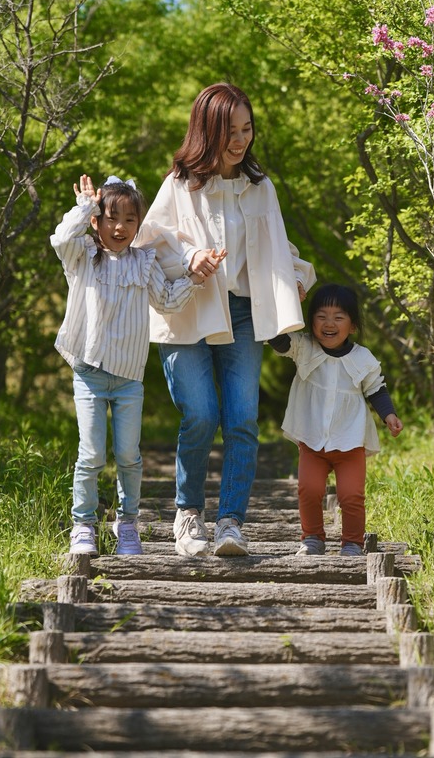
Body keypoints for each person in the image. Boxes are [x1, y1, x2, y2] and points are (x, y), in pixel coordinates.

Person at [136, 81, 317, 558]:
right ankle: (188, 513)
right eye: (230, 130)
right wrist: (191, 257)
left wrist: (294, 279)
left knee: (242, 421)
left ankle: (231, 522)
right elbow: (148, 243)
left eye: (247, 128)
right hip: (191, 309)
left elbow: (278, 245)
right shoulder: (178, 185)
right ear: (207, 130)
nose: (240, 140)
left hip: (242, 313)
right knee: (200, 414)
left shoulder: (260, 188)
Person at [50, 173, 221, 555]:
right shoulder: (83, 256)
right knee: (91, 454)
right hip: (90, 373)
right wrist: (84, 207)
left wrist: (194, 278)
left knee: (129, 456)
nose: (120, 227)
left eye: (130, 220)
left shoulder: (144, 261)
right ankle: (83, 526)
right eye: (111, 218)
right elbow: (61, 238)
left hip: (129, 379)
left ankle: (127, 524)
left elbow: (168, 301)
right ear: (97, 222)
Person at [266, 283, 403, 556]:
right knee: (309, 489)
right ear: (311, 320)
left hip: (350, 441)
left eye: (338, 317)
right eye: (321, 316)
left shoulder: (362, 358)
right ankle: (312, 538)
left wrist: (389, 414)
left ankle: (352, 543)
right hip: (312, 439)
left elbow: (376, 388)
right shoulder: (304, 347)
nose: (329, 323)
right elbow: (278, 340)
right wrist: (284, 299)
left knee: (352, 495)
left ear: (352, 326)